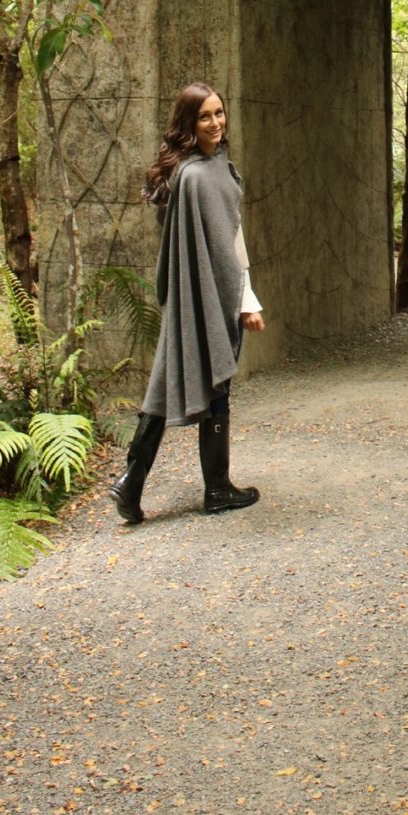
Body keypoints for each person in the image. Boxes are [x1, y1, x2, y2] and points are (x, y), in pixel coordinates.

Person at [110, 82, 265, 523]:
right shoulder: (195, 176)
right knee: (214, 382)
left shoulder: (211, 167)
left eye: (219, 113)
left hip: (203, 294)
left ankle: (130, 483)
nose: (215, 122)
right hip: (209, 296)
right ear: (188, 123)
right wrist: (246, 301)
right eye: (205, 116)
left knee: (168, 381)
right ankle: (216, 490)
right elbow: (222, 250)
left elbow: (228, 237)